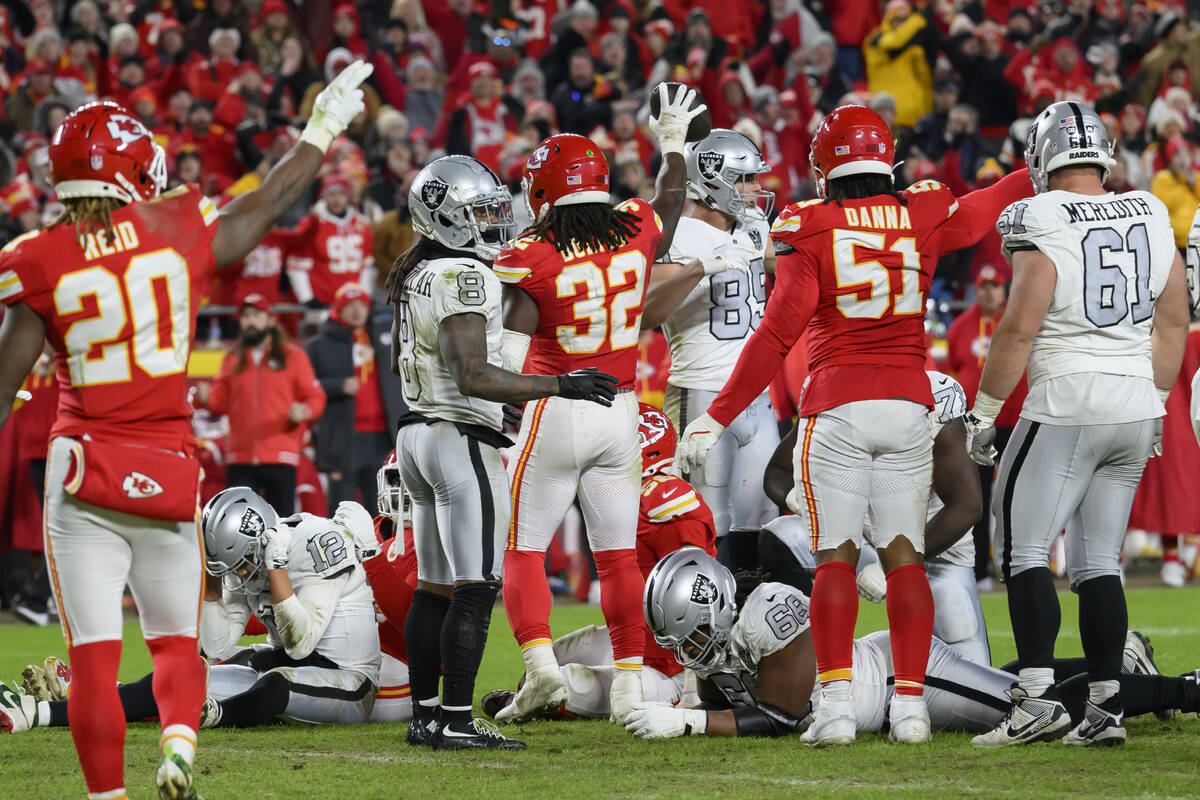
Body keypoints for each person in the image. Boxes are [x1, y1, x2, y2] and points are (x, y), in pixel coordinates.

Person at [0, 60, 373, 800]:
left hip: (84, 473)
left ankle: (109, 796)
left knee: (95, 661)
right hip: (167, 468)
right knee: (176, 643)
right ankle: (177, 750)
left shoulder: (36, 260)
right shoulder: (175, 230)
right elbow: (268, 202)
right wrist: (323, 127)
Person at [675, 104, 1034, 746]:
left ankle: (838, 709)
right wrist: (1041, 168)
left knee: (836, 562)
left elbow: (777, 334)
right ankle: (912, 712)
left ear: (824, 171)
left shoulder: (808, 226)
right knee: (904, 559)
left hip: (837, 405)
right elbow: (982, 211)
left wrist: (715, 416)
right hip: (908, 405)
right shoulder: (921, 210)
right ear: (885, 162)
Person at [964, 100, 1190, 748]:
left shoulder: (1041, 213)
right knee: (1099, 562)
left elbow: (1020, 325)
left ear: (1042, 157)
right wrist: (1152, 399)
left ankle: (1035, 701)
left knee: (1023, 548)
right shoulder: (1148, 207)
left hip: (1068, 397)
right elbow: (1174, 317)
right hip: (1134, 399)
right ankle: (1105, 709)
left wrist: (983, 415)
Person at [383, 154, 618, 751]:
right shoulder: (465, 276)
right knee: (476, 583)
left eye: (493, 209)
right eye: (477, 213)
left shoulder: (416, 271)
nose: (492, 222)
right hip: (459, 437)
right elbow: (472, 375)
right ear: (442, 217)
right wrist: (560, 384)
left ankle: (428, 716)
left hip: (417, 433)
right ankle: (457, 718)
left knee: (434, 585)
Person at [492, 84, 705, 726]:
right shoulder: (633, 229)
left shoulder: (531, 254)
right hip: (619, 413)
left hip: (555, 407)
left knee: (523, 549)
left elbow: (506, 352)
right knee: (615, 555)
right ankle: (629, 688)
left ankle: (541, 671)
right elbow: (670, 196)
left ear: (543, 190)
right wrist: (671, 143)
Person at [622, 549, 1200, 740]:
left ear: (721, 602)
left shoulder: (766, 610)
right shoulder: (721, 639)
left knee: (1035, 712)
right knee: (1015, 685)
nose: (689, 648)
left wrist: (691, 722)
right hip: (889, 683)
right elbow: (728, 706)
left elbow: (781, 713)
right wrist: (694, 710)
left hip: (903, 672)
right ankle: (1122, 658)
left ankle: (1184, 688)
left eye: (694, 630)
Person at [481, 403, 717, 720]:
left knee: (568, 684)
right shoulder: (623, 494)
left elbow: (699, 598)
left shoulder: (668, 500)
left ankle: (672, 693)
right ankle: (535, 693)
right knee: (544, 666)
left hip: (669, 665)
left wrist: (692, 692)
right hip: (631, 640)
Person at [762, 372, 989, 664]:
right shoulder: (826, 388)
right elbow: (777, 474)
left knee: (973, 693)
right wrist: (803, 501)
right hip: (856, 542)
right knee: (782, 537)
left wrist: (892, 565)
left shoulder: (933, 397)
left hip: (936, 556)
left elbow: (967, 506)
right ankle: (807, 663)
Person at [640, 129, 779, 571]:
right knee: (706, 529)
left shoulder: (755, 225)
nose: (757, 189)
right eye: (747, 180)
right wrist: (697, 269)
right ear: (715, 182)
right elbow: (644, 312)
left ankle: (749, 638)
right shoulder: (680, 236)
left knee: (758, 531)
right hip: (702, 395)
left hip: (757, 397)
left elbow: (792, 262)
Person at [195, 294, 326, 515]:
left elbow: (316, 397)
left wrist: (304, 410)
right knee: (238, 523)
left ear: (271, 320)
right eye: (245, 316)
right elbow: (220, 403)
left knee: (281, 524)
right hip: (239, 457)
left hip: (281, 455)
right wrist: (205, 398)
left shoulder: (293, 356)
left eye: (256, 315)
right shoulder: (231, 359)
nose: (250, 321)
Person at [946, 265, 1028, 585]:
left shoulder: (1017, 321)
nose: (989, 292)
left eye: (994, 286)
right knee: (975, 499)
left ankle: (1018, 566)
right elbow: (954, 365)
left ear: (1004, 290)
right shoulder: (961, 327)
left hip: (1014, 422)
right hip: (976, 426)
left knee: (1015, 498)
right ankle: (979, 570)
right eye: (983, 286)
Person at [304, 282, 406, 513]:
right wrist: (336, 385)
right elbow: (304, 386)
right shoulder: (318, 346)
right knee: (343, 509)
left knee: (385, 508)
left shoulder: (385, 336)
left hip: (384, 437)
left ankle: (384, 549)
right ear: (337, 309)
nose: (357, 310)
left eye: (361, 303)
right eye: (349, 305)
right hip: (344, 439)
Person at [286, 173, 375, 307]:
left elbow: (366, 266)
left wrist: (365, 294)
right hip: (322, 301)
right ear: (323, 195)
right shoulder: (311, 224)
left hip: (353, 301)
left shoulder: (363, 224)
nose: (336, 199)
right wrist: (307, 298)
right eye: (331, 194)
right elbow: (297, 265)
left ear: (348, 196)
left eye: (341, 194)